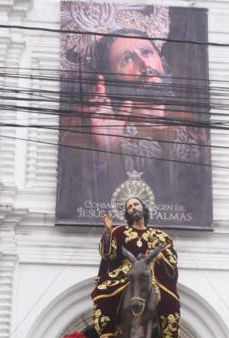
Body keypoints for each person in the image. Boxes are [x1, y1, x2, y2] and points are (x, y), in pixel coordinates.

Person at [57, 26, 211, 228]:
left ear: (161, 60)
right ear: (112, 80)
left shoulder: (195, 129)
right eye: (127, 59)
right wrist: (105, 150)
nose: (144, 64)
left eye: (147, 52)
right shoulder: (99, 135)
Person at [93, 198, 180, 338]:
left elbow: (172, 258)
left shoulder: (160, 235)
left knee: (171, 301)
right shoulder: (119, 232)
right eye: (130, 207)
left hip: (152, 273)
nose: (133, 208)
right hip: (127, 272)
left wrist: (160, 255)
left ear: (143, 208)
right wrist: (107, 231)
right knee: (104, 292)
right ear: (127, 213)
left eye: (136, 204)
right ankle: (107, 333)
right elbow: (108, 254)